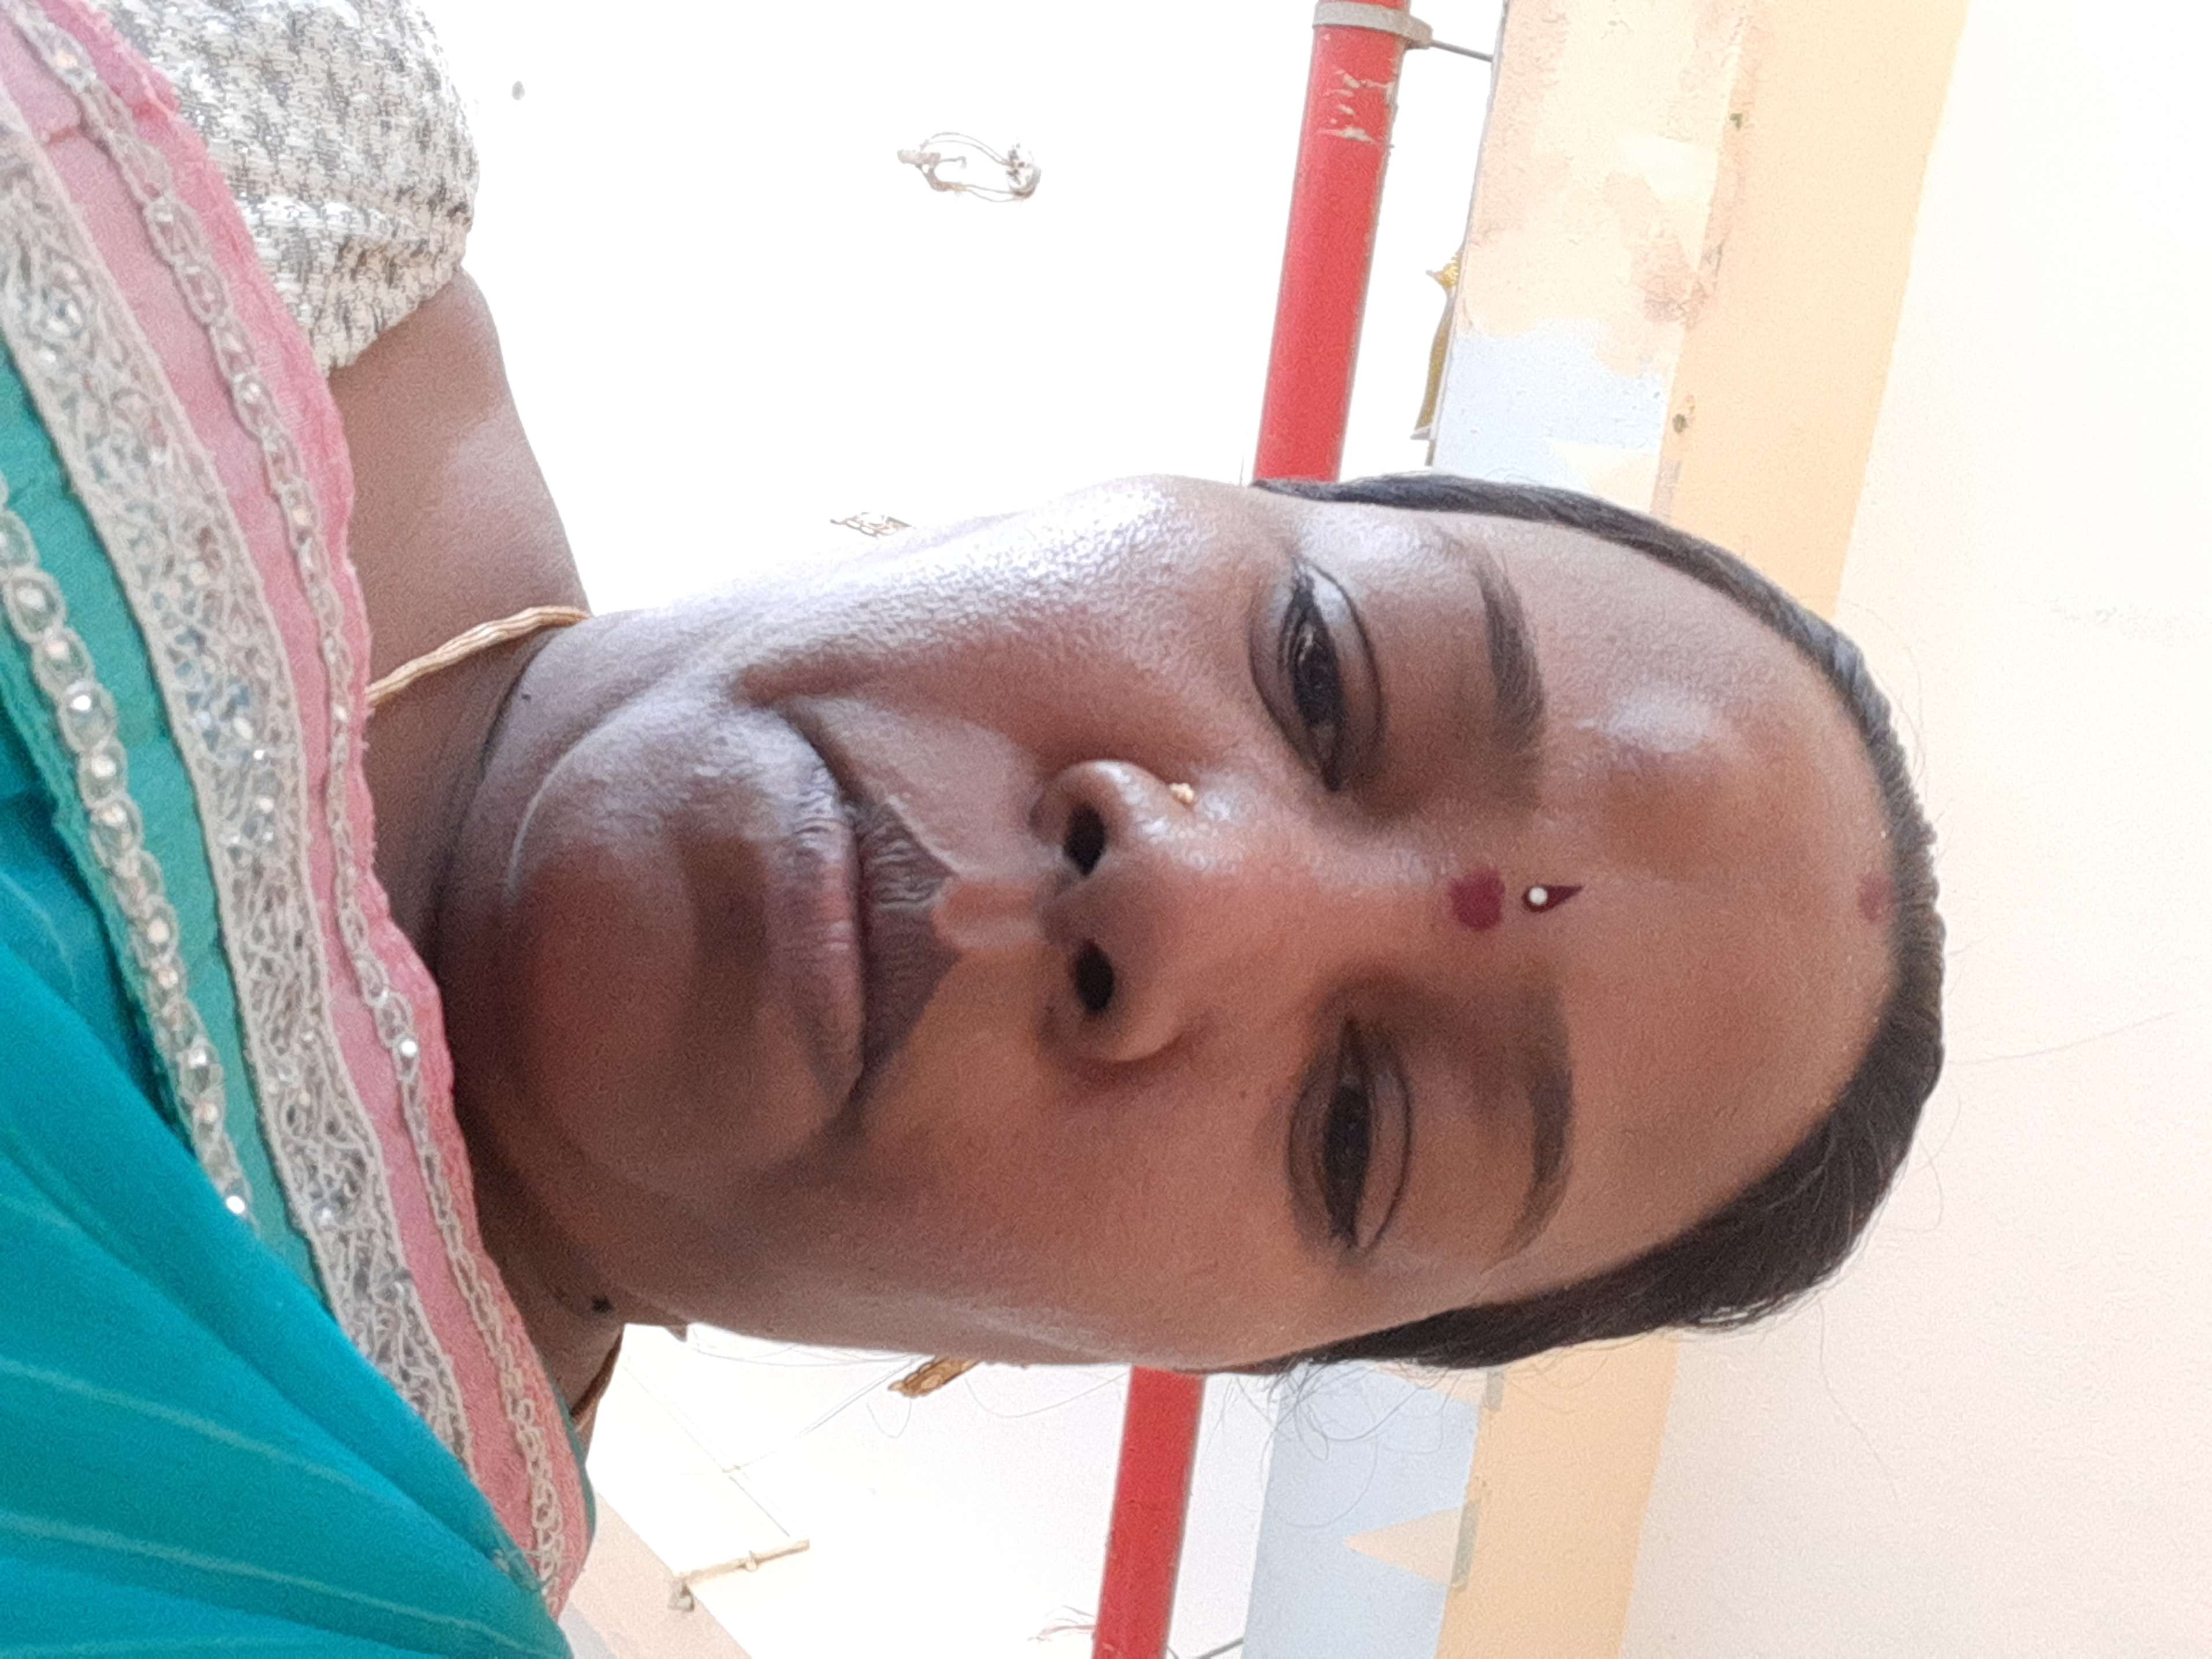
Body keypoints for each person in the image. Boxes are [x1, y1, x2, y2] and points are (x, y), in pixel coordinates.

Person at [0, 0, 1943, 1648]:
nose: (1183, 892)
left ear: (1192, 1350)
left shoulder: (308, 1598)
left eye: (1359, 1126)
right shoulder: (214, 95)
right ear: (1176, 488)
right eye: (1321, 671)